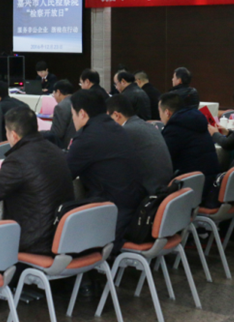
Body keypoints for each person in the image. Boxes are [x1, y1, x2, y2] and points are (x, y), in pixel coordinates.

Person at [0, 107, 74, 254]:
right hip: (61, 234)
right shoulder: (54, 149)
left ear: (13, 135)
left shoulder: (18, 160)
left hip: (36, 240)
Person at [65, 89, 172, 242]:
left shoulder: (87, 137)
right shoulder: (117, 128)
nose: (73, 120)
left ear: (82, 113)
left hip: (112, 218)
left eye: (73, 115)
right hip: (133, 208)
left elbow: (63, 175)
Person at [158, 92, 219, 205]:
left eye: (160, 112)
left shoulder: (174, 129)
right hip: (208, 184)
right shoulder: (196, 121)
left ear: (167, 112)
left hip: (190, 190)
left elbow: (163, 160)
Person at [106, 93, 175, 193]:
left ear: (117, 115)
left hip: (150, 193)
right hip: (164, 186)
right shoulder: (148, 125)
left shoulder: (126, 131)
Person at [48, 80, 77, 149]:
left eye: (54, 93)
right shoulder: (79, 102)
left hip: (65, 147)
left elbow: (57, 133)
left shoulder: (60, 107)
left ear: (58, 92)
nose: (54, 96)